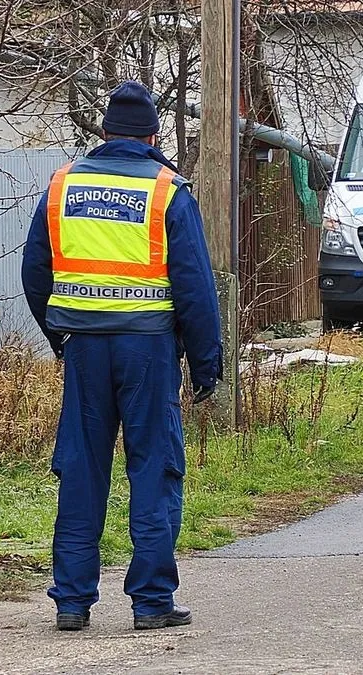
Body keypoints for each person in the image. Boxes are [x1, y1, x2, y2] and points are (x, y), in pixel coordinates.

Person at [21, 80, 222, 632]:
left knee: (83, 471)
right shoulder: (167, 191)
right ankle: (152, 601)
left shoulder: (62, 186)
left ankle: (72, 601)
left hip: (84, 349)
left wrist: (60, 335)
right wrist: (206, 366)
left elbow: (35, 272)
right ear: (154, 134)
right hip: (149, 352)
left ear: (104, 132)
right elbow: (195, 288)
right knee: (153, 470)